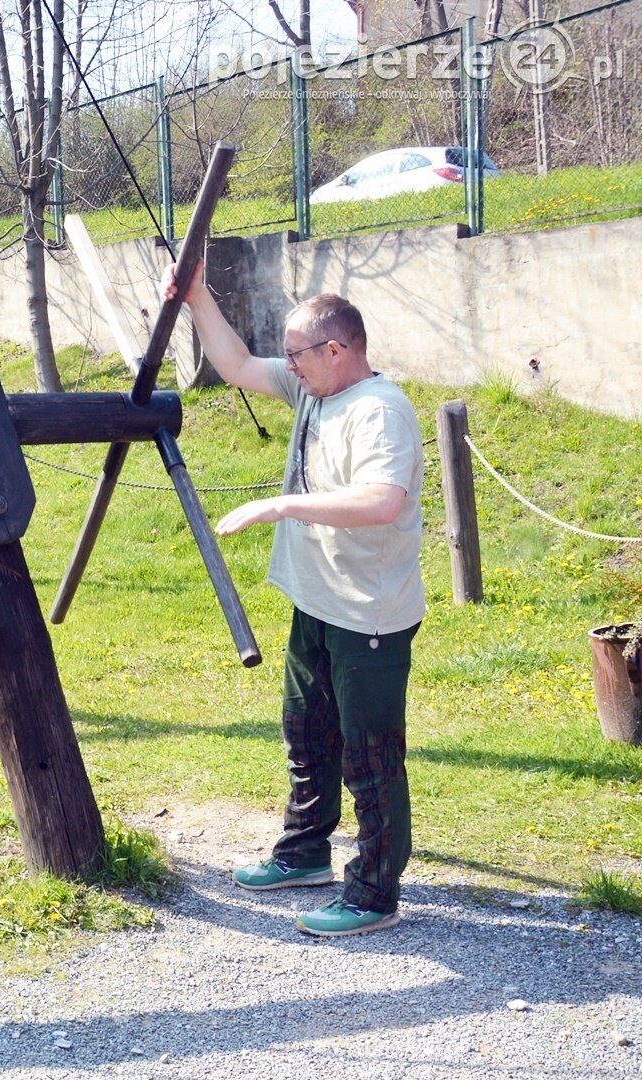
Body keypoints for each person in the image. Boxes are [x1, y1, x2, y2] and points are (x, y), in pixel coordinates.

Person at [168, 262, 424, 938]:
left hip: (368, 614)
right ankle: (305, 854)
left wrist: (281, 505)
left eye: (297, 354)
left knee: (370, 758)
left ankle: (374, 894)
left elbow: (382, 501)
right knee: (307, 736)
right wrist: (197, 296)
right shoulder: (312, 387)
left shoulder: (380, 411)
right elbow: (235, 366)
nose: (288, 366)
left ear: (336, 350)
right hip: (316, 604)